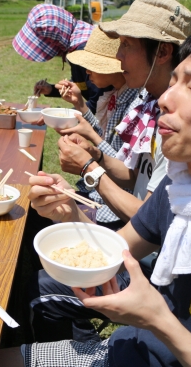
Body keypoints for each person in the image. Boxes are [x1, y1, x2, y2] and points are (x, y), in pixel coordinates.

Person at [4, 23, 191, 367]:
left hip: (149, 342)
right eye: (172, 84)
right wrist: (68, 214)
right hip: (129, 347)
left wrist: (158, 320)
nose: (165, 100)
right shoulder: (182, 183)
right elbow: (116, 250)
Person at [27, 0, 191, 345]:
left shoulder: (179, 125)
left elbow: (149, 218)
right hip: (135, 243)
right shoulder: (151, 105)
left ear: (161, 53)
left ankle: (77, 348)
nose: (117, 58)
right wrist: (95, 165)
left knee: (36, 288)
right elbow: (135, 176)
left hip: (154, 269)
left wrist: (89, 169)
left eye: (126, 46)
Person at [58, 26, 138, 228]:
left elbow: (125, 167)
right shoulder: (118, 94)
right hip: (99, 192)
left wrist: (93, 139)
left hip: (111, 207)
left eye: (92, 65)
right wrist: (80, 104)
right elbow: (107, 135)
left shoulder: (133, 104)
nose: (86, 72)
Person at [13, 4, 110, 114]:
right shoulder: (77, 36)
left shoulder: (84, 51)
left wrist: (57, 116)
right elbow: (82, 83)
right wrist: (52, 89)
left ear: (56, 40)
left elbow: (99, 104)